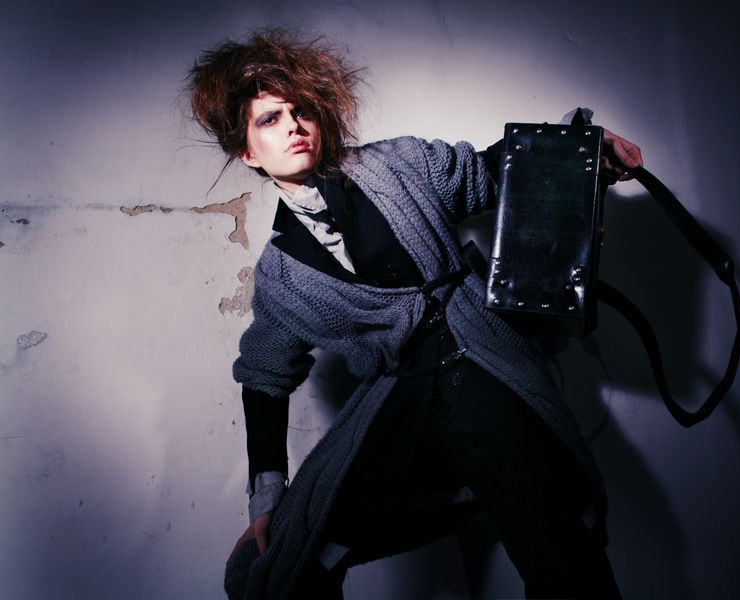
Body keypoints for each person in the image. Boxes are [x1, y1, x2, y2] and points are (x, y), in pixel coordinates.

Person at [187, 29, 642, 600]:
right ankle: (461, 491)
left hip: (481, 369)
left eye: (301, 111)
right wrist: (266, 498)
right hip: (400, 404)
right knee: (288, 561)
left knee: (561, 555)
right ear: (249, 152)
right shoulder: (281, 275)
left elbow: (490, 170)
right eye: (271, 119)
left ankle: (492, 487)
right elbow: (263, 375)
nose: (294, 126)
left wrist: (586, 149)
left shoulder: (398, 164)